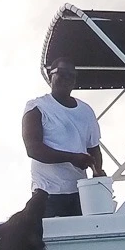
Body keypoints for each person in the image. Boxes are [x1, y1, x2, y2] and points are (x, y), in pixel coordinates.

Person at [22, 56, 104, 218]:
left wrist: (98, 173)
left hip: (81, 192)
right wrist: (73, 158)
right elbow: (33, 149)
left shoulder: (86, 111)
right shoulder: (36, 107)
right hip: (47, 194)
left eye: (72, 75)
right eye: (62, 73)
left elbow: (94, 148)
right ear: (50, 75)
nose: (67, 79)